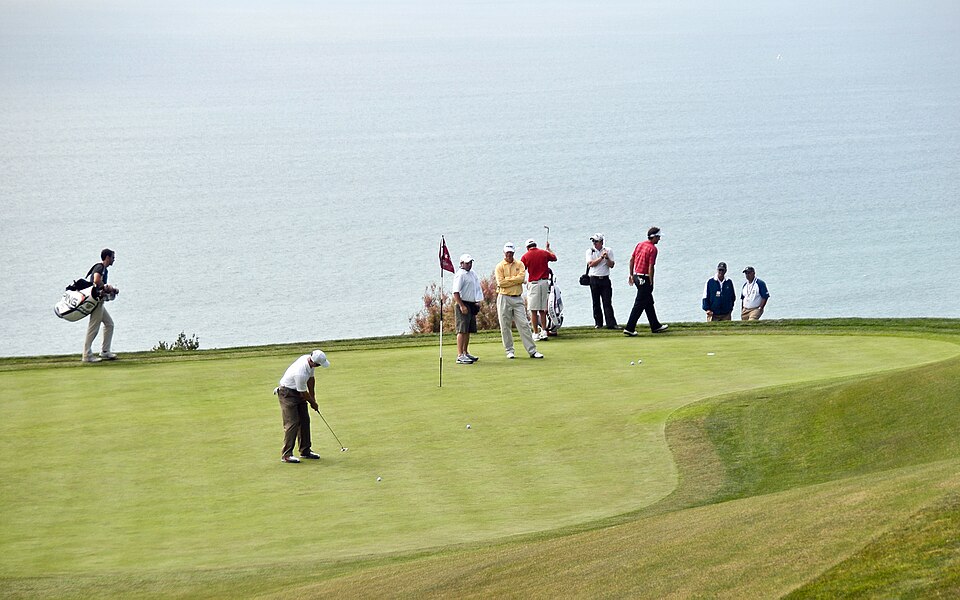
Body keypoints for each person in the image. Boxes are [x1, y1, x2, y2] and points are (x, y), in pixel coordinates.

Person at [275, 350, 331, 463]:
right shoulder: (300, 372)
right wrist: (312, 403)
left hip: (298, 392)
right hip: (287, 394)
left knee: (305, 420)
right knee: (293, 423)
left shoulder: (309, 360)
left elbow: (311, 380)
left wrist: (313, 397)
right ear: (315, 363)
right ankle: (286, 455)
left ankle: (305, 451)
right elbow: (303, 392)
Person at [495, 242, 544, 359]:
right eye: (507, 253)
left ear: (513, 252)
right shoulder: (499, 266)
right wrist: (515, 280)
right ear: (504, 252)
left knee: (524, 325)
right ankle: (509, 350)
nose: (509, 255)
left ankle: (532, 351)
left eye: (511, 253)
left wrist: (509, 280)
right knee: (505, 325)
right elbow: (500, 283)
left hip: (517, 298)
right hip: (504, 297)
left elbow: (522, 278)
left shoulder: (520, 264)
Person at [623, 227, 668, 336]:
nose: (659, 239)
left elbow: (631, 259)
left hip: (637, 276)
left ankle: (655, 325)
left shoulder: (640, 244)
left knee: (648, 302)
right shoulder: (653, 249)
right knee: (639, 304)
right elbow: (651, 266)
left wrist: (631, 275)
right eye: (658, 237)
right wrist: (651, 281)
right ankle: (629, 327)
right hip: (645, 278)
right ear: (653, 237)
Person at [82, 248, 120, 363]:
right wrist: (107, 287)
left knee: (109, 324)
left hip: (100, 301)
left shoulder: (103, 269)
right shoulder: (100, 267)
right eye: (113, 257)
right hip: (96, 301)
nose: (114, 259)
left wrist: (110, 289)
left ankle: (105, 351)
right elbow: (97, 280)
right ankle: (87, 355)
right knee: (93, 328)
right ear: (107, 257)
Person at [520, 238, 557, 341]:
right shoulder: (544, 253)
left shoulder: (526, 256)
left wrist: (522, 281)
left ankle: (536, 333)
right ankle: (544, 331)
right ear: (535, 245)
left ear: (527, 247)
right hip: (544, 283)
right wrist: (549, 249)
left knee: (533, 310)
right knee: (542, 310)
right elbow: (554, 258)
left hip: (534, 283)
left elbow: (521, 269)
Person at [452, 254, 483, 364]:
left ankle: (465, 352)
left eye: (470, 262)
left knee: (468, 330)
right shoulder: (460, 275)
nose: (469, 265)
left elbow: (476, 289)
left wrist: (477, 301)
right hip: (463, 304)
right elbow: (455, 292)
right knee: (462, 330)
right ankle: (460, 355)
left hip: (471, 304)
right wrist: (461, 305)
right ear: (461, 264)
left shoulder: (472, 273)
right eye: (467, 263)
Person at [585, 233, 617, 329]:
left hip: (605, 279)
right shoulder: (590, 251)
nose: (594, 243)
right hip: (594, 279)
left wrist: (606, 257)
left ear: (601, 242)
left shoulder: (608, 250)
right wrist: (601, 257)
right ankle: (598, 323)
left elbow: (611, 265)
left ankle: (611, 323)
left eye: (596, 241)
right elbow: (591, 264)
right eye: (593, 241)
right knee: (596, 302)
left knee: (607, 302)